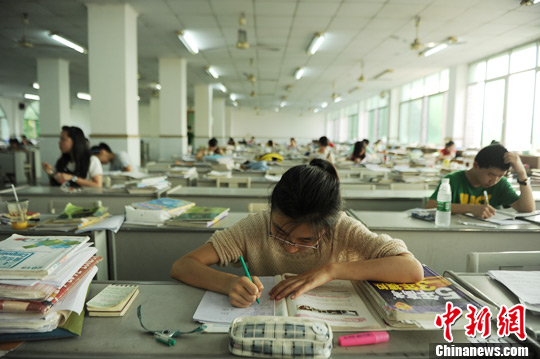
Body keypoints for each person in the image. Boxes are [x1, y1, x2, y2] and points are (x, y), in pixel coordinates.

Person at [171, 159, 423, 308]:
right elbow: (183, 265)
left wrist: (331, 270)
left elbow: (411, 269)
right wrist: (228, 283)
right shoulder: (255, 227)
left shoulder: (343, 229)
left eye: (306, 240)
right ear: (272, 211)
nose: (290, 248)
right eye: (279, 232)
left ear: (328, 226)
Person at [426, 144, 534, 218]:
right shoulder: (452, 180)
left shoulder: (501, 184)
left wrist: (522, 173)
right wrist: (471, 208)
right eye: (490, 174)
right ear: (475, 165)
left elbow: (527, 209)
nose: (494, 180)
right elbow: (430, 206)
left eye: (500, 176)